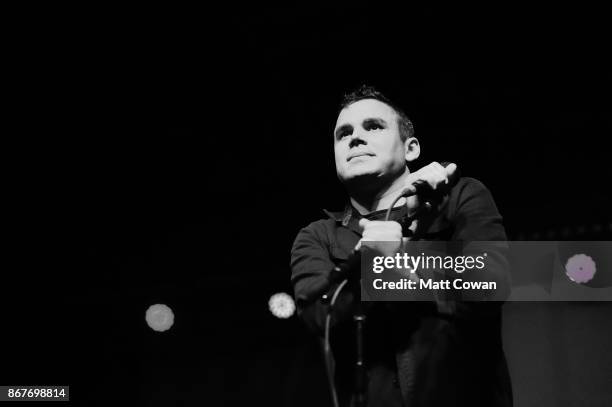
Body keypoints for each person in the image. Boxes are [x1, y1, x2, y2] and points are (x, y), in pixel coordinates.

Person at [290, 85, 513, 406]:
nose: (355, 138)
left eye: (374, 127)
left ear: (411, 149)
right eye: (343, 134)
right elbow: (317, 314)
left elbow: (492, 284)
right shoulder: (317, 236)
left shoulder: (461, 197)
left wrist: (401, 259)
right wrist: (378, 263)